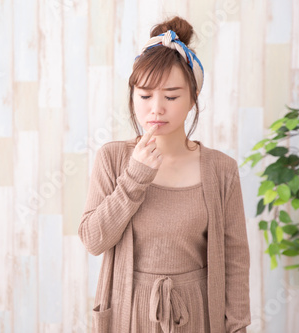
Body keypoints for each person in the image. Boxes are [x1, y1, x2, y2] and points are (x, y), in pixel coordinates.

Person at [78, 16, 251, 333]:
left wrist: (237, 327)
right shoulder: (113, 159)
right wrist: (135, 177)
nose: (156, 108)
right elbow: (93, 240)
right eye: (145, 96)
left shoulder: (221, 169)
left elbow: (236, 259)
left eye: (171, 96)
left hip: (198, 313)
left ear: (192, 99)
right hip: (129, 313)